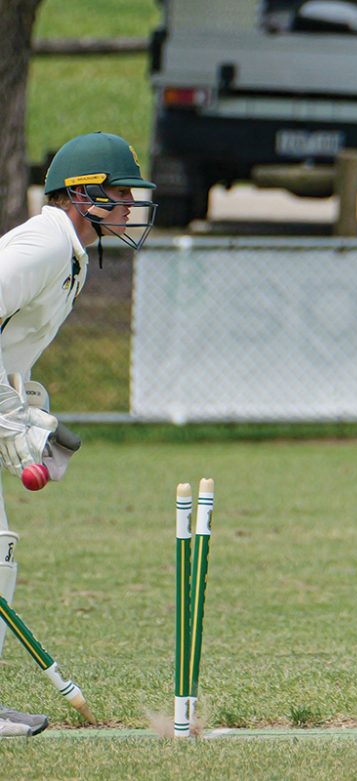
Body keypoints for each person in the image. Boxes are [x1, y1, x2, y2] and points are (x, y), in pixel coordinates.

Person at [0, 131, 156, 737]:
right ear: (81, 195)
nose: (128, 207)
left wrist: (24, 406)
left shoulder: (69, 254)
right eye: (118, 194)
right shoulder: (43, 244)